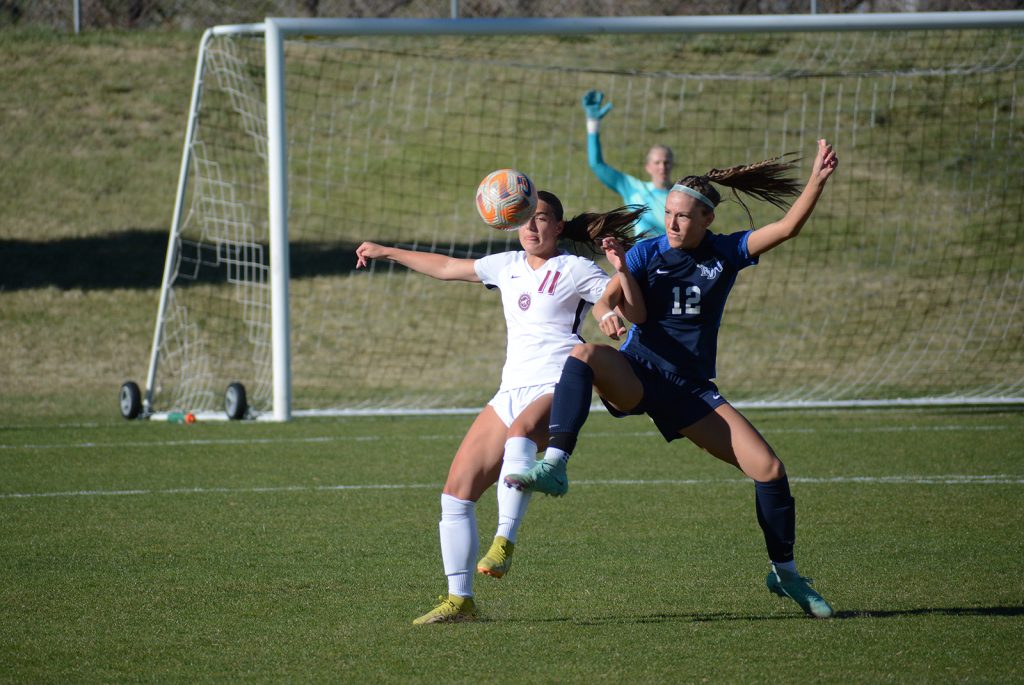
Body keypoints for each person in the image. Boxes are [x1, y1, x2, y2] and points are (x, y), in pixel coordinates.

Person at [505, 140, 840, 619]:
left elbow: (786, 228)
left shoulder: (726, 252)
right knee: (585, 354)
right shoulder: (646, 252)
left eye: (684, 216)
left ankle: (785, 573)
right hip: (639, 373)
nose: (673, 223)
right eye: (668, 214)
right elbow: (606, 301)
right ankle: (555, 464)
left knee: (769, 470)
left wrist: (817, 181)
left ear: (707, 219)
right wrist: (606, 315)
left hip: (691, 389)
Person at [355, 191, 644, 625]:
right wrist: (386, 251)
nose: (531, 226)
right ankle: (460, 601)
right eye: (525, 218)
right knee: (456, 493)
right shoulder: (506, 265)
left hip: (558, 382)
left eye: (541, 218)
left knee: (520, 436)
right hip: (509, 390)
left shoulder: (575, 268)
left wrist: (620, 281)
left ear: (558, 227)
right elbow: (447, 267)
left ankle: (504, 542)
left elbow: (628, 307)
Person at [582, 89, 674, 238]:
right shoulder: (634, 188)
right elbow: (596, 165)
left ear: (672, 165)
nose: (662, 167)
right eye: (657, 162)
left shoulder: (680, 195)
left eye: (666, 162)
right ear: (648, 167)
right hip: (644, 252)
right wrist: (593, 124)